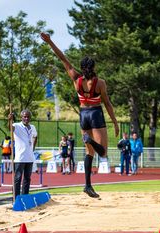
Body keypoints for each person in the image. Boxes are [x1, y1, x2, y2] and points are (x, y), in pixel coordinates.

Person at [41, 33, 119, 198]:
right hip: (96, 113)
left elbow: (62, 58)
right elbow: (108, 104)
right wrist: (115, 122)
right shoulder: (100, 83)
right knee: (103, 152)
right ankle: (89, 141)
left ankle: (87, 186)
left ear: (82, 67)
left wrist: (49, 41)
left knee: (89, 153)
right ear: (94, 67)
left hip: (83, 115)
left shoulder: (76, 78)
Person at [8, 109, 37, 199]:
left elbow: (35, 136)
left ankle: (25, 197)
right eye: (24, 116)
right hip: (20, 157)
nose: (26, 118)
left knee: (27, 179)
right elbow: (10, 128)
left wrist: (33, 148)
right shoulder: (16, 125)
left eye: (28, 117)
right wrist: (9, 120)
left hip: (30, 157)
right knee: (17, 178)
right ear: (21, 117)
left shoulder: (33, 127)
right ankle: (16, 198)